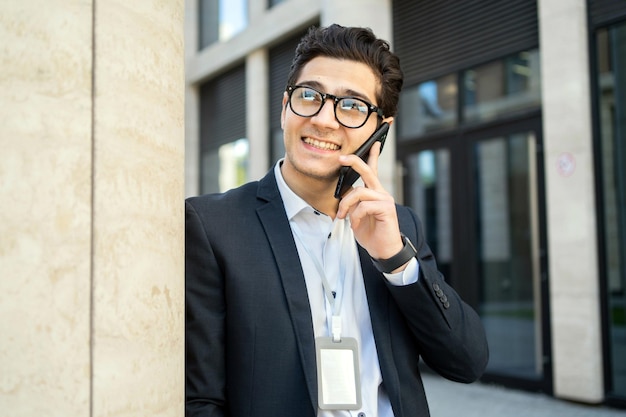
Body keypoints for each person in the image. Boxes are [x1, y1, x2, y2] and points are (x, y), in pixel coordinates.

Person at [185, 24, 489, 417]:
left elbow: (466, 362)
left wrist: (394, 259)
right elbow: (200, 401)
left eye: (352, 105)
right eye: (309, 95)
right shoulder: (213, 227)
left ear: (381, 130)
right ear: (284, 108)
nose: (324, 120)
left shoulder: (398, 227)